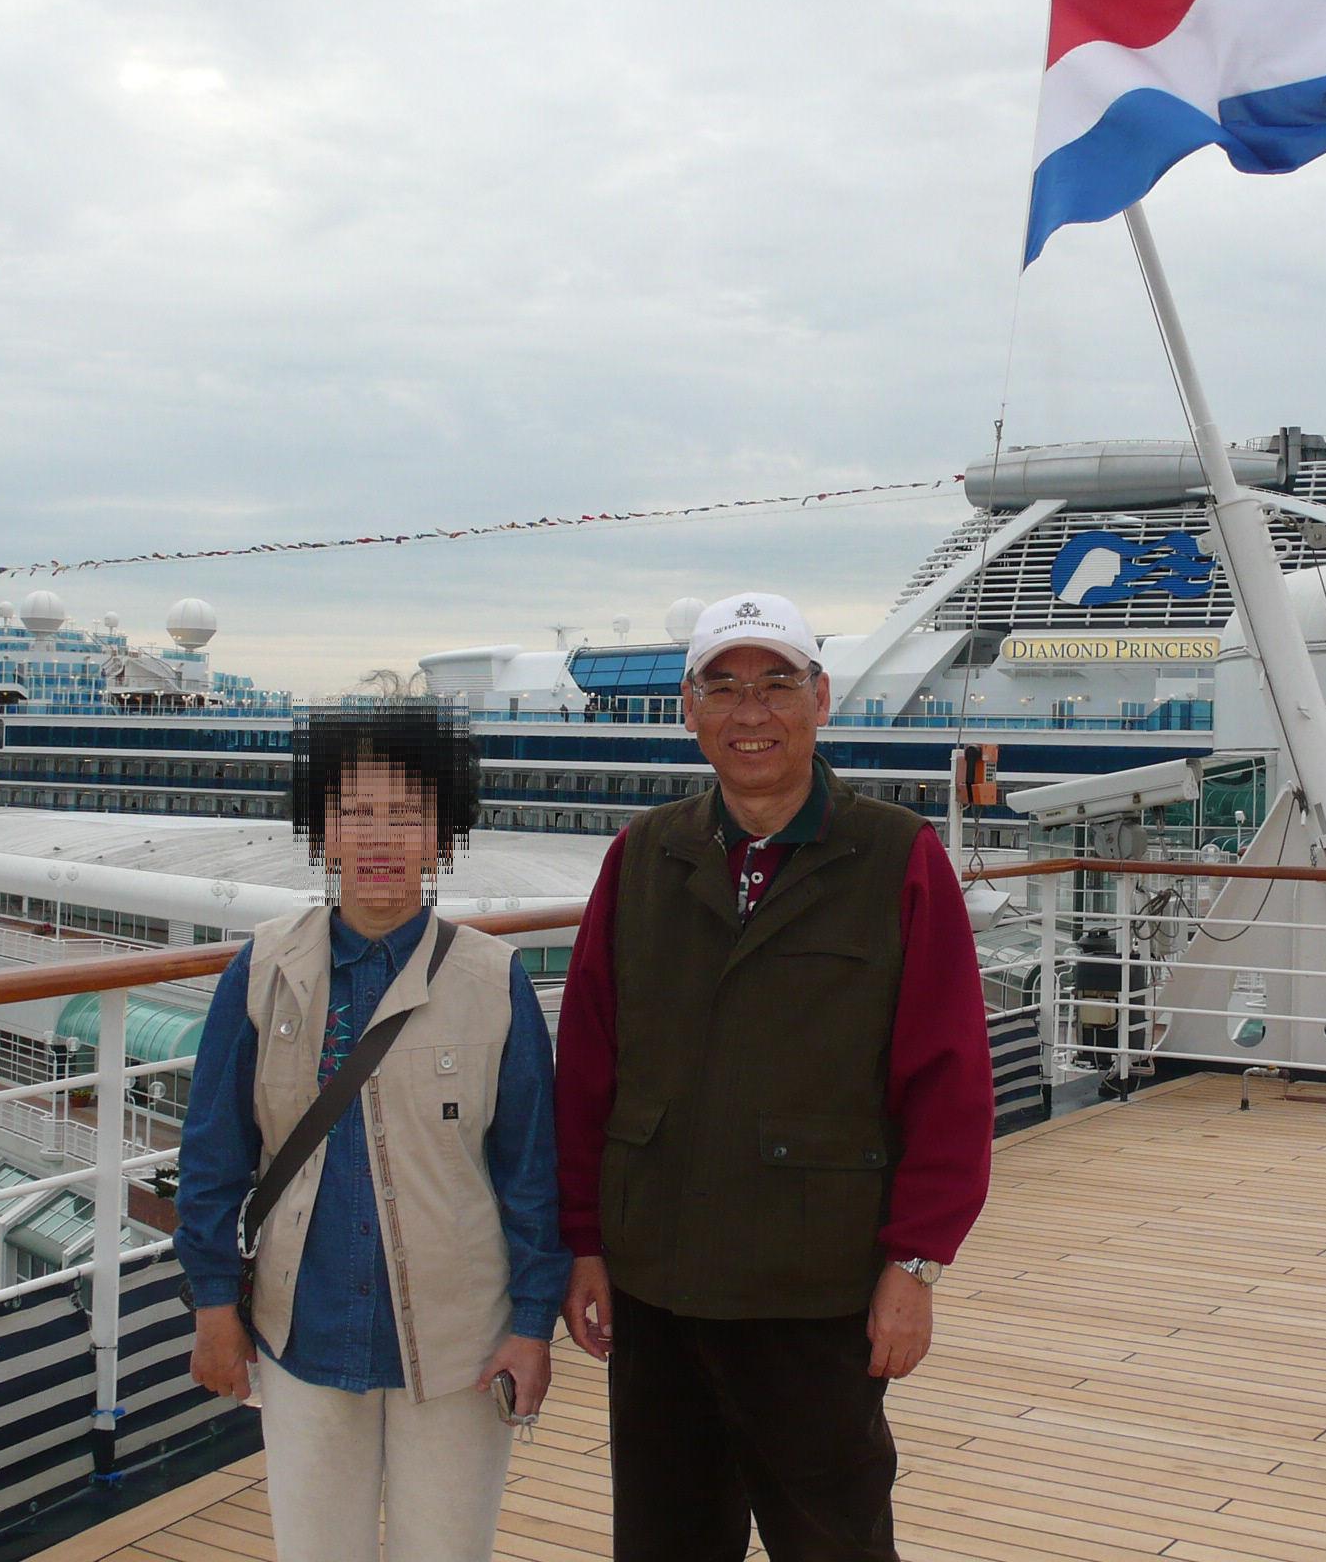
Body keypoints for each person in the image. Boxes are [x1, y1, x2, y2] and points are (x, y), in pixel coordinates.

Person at [554, 592, 995, 1562]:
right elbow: (586, 1067)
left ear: (820, 699)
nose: (750, 712)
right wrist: (583, 1241)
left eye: (776, 684)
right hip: (657, 1286)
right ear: (689, 710)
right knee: (665, 1545)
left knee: (833, 1543)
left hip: (816, 1290)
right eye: (722, 687)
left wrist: (916, 1262)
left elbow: (951, 1081)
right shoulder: (642, 857)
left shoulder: (897, 857)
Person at [173, 700, 568, 1562]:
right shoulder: (264, 970)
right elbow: (213, 1155)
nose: (380, 837)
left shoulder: (493, 981)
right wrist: (214, 1305)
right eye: (355, 811)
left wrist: (533, 1324)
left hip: (461, 1344)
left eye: (406, 813)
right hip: (303, 1331)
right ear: (323, 831)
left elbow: (532, 1176)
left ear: (442, 836)